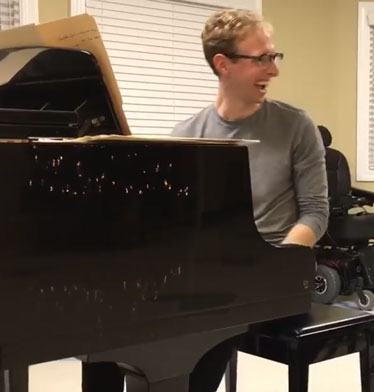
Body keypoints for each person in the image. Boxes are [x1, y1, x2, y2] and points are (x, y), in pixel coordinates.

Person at [83, 9, 328, 392]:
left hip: (273, 275)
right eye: (260, 59)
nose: (273, 70)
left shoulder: (296, 125)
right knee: (104, 332)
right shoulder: (187, 134)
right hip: (206, 274)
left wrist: (274, 263)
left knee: (197, 328)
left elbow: (315, 213)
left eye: (274, 57)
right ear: (223, 64)